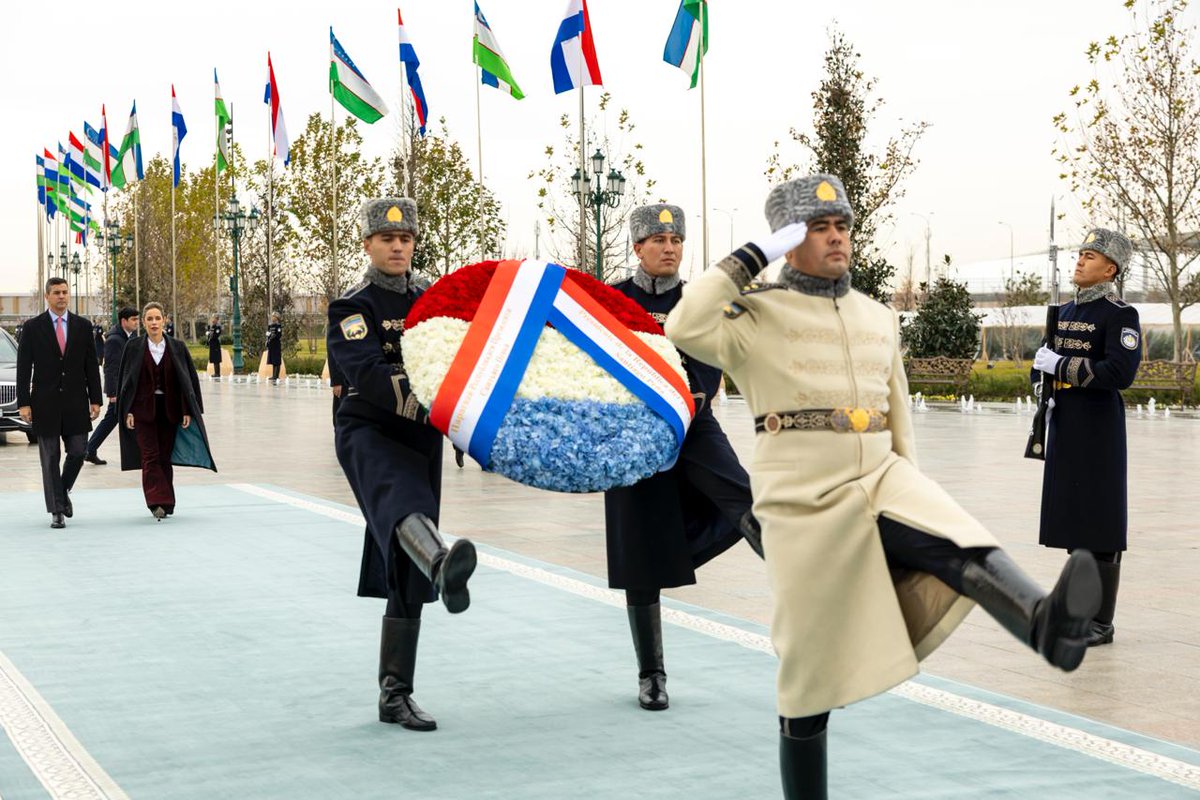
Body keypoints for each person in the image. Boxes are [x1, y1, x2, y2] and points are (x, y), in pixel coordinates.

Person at [665, 174, 1103, 799]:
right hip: (802, 493)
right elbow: (685, 323)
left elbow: (897, 408)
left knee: (954, 538)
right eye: (818, 228)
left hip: (880, 471)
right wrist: (752, 255)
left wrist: (913, 482)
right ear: (790, 241)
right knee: (807, 670)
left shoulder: (876, 315)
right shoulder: (753, 314)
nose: (837, 237)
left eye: (842, 225)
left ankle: (1046, 623)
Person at [327, 197, 478, 732]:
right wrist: (431, 403)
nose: (397, 246)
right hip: (368, 429)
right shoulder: (352, 306)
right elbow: (367, 371)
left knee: (401, 563)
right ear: (368, 243)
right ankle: (441, 561)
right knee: (401, 502)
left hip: (420, 437)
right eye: (387, 239)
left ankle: (395, 694)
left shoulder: (433, 300)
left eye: (406, 239)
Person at [605, 203, 761, 711]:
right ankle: (651, 675)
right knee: (638, 552)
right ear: (638, 248)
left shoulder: (699, 299)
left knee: (745, 502)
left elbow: (714, 358)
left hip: (693, 423)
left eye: (676, 242)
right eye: (659, 241)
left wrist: (695, 395)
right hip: (631, 435)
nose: (670, 249)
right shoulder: (613, 300)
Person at [1031, 228, 1140, 647]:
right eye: (1079, 254)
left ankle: (1100, 622)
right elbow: (1041, 363)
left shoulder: (1119, 315)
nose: (1079, 261)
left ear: (1109, 269)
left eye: (1090, 256)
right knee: (1075, 522)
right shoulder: (1061, 311)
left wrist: (1061, 366)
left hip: (1098, 432)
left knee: (1100, 524)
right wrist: (1042, 385)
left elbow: (1119, 373)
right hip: (1065, 427)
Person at [16, 277, 102, 529]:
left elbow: (91, 366)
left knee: (78, 451)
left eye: (65, 292)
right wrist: (24, 403)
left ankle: (61, 493)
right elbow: (23, 368)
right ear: (47, 296)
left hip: (76, 402)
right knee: (50, 457)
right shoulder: (32, 328)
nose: (62, 296)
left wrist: (95, 398)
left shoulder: (83, 326)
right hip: (45, 403)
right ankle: (57, 511)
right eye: (56, 293)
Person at [117, 302, 215, 520]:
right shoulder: (133, 348)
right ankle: (155, 501)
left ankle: (167, 501)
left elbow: (187, 380)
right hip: (142, 411)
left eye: (157, 318)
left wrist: (188, 410)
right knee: (149, 456)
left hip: (170, 410)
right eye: (149, 319)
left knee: (164, 457)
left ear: (164, 320)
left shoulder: (177, 347)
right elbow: (126, 382)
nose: (153, 323)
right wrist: (127, 411)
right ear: (143, 322)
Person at [84, 307, 140, 466]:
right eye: (134, 320)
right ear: (124, 321)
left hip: (129, 386)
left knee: (117, 419)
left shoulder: (130, 335)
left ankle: (90, 449)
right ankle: (89, 449)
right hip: (120, 389)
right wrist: (113, 392)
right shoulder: (115, 340)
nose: (137, 322)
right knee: (113, 419)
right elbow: (110, 367)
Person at [265, 312, 283, 383]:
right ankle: (273, 375)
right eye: (272, 317)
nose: (272, 318)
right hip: (271, 345)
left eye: (274, 317)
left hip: (276, 345)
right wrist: (267, 340)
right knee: (273, 360)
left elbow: (279, 335)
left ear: (276, 318)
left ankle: (276, 376)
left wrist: (273, 337)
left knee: (277, 361)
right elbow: (268, 334)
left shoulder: (278, 326)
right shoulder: (270, 326)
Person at [206, 315, 223, 381]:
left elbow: (216, 335)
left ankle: (217, 373)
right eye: (212, 318)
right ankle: (216, 373)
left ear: (217, 320)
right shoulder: (212, 327)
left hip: (216, 345)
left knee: (216, 359)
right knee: (213, 359)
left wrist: (210, 335)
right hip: (212, 345)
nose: (213, 320)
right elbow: (210, 334)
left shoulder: (218, 327)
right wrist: (208, 335)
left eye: (214, 319)